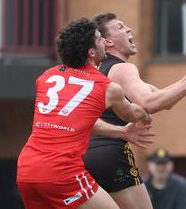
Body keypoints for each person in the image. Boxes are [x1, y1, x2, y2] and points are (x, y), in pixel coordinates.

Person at [83, 13, 186, 209]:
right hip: (109, 153)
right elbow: (149, 103)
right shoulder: (122, 69)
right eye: (120, 27)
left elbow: (162, 98)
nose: (128, 29)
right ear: (108, 42)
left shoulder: (96, 70)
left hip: (81, 157)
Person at [16, 18, 151, 209]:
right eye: (98, 38)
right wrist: (145, 115)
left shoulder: (46, 77)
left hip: (26, 170)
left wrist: (120, 132)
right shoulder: (106, 87)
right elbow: (131, 114)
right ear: (91, 52)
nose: (103, 41)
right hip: (62, 173)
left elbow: (78, 119)